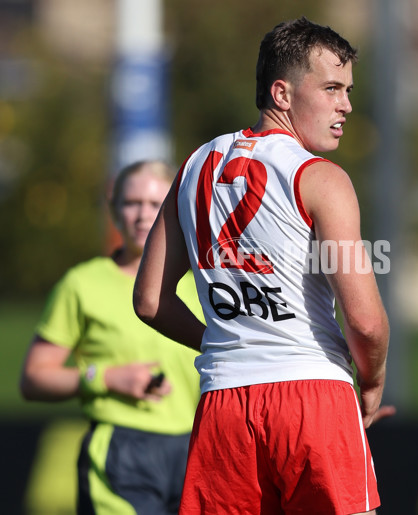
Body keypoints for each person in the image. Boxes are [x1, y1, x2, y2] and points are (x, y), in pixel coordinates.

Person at [133, 17, 391, 515]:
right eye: (333, 88)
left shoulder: (193, 166)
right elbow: (366, 321)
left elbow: (149, 301)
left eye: (348, 90)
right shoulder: (321, 179)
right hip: (314, 398)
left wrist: (223, 340)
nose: (347, 106)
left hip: (224, 407)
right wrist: (373, 381)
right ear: (283, 93)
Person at [20, 160, 205, 515]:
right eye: (131, 203)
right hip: (122, 450)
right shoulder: (82, 283)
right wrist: (105, 377)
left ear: (174, 208)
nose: (141, 215)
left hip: (198, 448)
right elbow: (33, 378)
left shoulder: (203, 281)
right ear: (114, 209)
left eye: (154, 204)